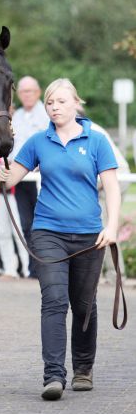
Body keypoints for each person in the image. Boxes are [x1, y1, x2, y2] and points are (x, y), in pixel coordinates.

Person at [0, 78, 120, 401]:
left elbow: (111, 186)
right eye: (50, 102)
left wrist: (112, 226)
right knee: (54, 300)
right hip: (48, 232)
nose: (54, 107)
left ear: (76, 104)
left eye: (61, 102)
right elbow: (13, 178)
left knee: (84, 305)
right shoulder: (39, 141)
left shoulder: (96, 141)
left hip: (89, 235)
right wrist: (2, 170)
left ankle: (83, 369)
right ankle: (53, 375)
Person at [77, 105, 130, 283]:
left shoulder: (89, 131)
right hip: (105, 176)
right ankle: (107, 274)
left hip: (115, 176)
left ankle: (115, 274)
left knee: (105, 227)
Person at [11, 76, 50, 278]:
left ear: (38, 92)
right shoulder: (16, 116)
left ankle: (47, 266)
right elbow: (14, 148)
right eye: (23, 91)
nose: (26, 95)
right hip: (22, 179)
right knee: (26, 224)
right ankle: (33, 267)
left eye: (30, 91)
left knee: (42, 223)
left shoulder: (46, 114)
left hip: (41, 179)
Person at [0, 147, 29, 278]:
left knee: (19, 232)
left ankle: (28, 268)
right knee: (2, 233)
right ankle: (9, 269)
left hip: (13, 195)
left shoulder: (15, 150)